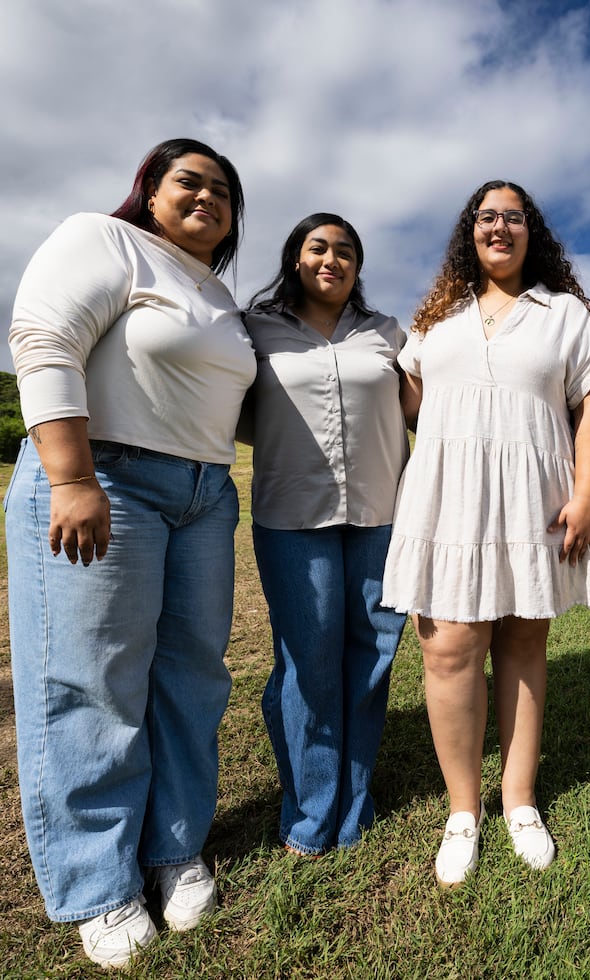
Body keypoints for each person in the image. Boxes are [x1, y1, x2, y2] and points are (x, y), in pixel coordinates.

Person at [6, 138, 255, 968]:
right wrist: (73, 477)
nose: (207, 196)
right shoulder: (105, 239)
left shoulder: (219, 297)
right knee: (92, 680)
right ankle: (99, 885)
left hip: (203, 495)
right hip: (105, 477)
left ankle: (173, 847)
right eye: (189, 181)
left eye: (223, 191)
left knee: (191, 675)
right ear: (150, 191)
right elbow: (45, 338)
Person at [381, 179, 590, 886]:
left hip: (534, 496)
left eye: (513, 216)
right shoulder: (437, 316)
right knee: (448, 647)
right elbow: (403, 404)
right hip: (447, 495)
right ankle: (463, 810)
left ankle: (519, 801)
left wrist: (589, 492)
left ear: (531, 231)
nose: (499, 227)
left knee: (522, 642)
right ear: (470, 230)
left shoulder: (565, 312)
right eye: (487, 217)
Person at [240, 213, 408, 855]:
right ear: (296, 258)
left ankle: (354, 806)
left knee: (371, 659)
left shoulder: (386, 332)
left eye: (345, 251)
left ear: (357, 266)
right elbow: (235, 409)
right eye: (318, 247)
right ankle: (310, 812)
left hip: (380, 514)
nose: (331, 259)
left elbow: (419, 405)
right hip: (291, 516)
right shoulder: (256, 328)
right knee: (308, 663)